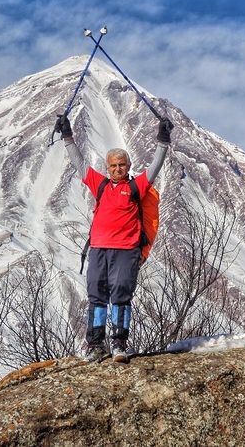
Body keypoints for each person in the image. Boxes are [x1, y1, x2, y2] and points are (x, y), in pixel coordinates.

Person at [54, 112, 173, 363]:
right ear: (107, 168)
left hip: (126, 250)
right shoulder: (100, 185)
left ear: (128, 167)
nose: (118, 169)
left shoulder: (136, 187)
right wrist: (67, 135)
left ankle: (119, 344)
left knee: (121, 294)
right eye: (113, 166)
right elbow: (78, 163)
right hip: (98, 249)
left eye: (122, 165)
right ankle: (95, 345)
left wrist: (163, 139)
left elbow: (155, 166)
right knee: (96, 296)